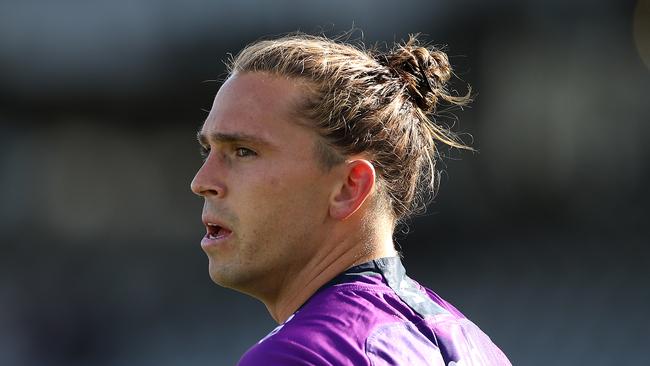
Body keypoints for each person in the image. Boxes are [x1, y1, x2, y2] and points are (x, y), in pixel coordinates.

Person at [190, 33, 511, 365]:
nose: (202, 182)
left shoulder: (300, 355)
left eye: (243, 151)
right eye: (207, 151)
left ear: (349, 187)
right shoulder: (481, 349)